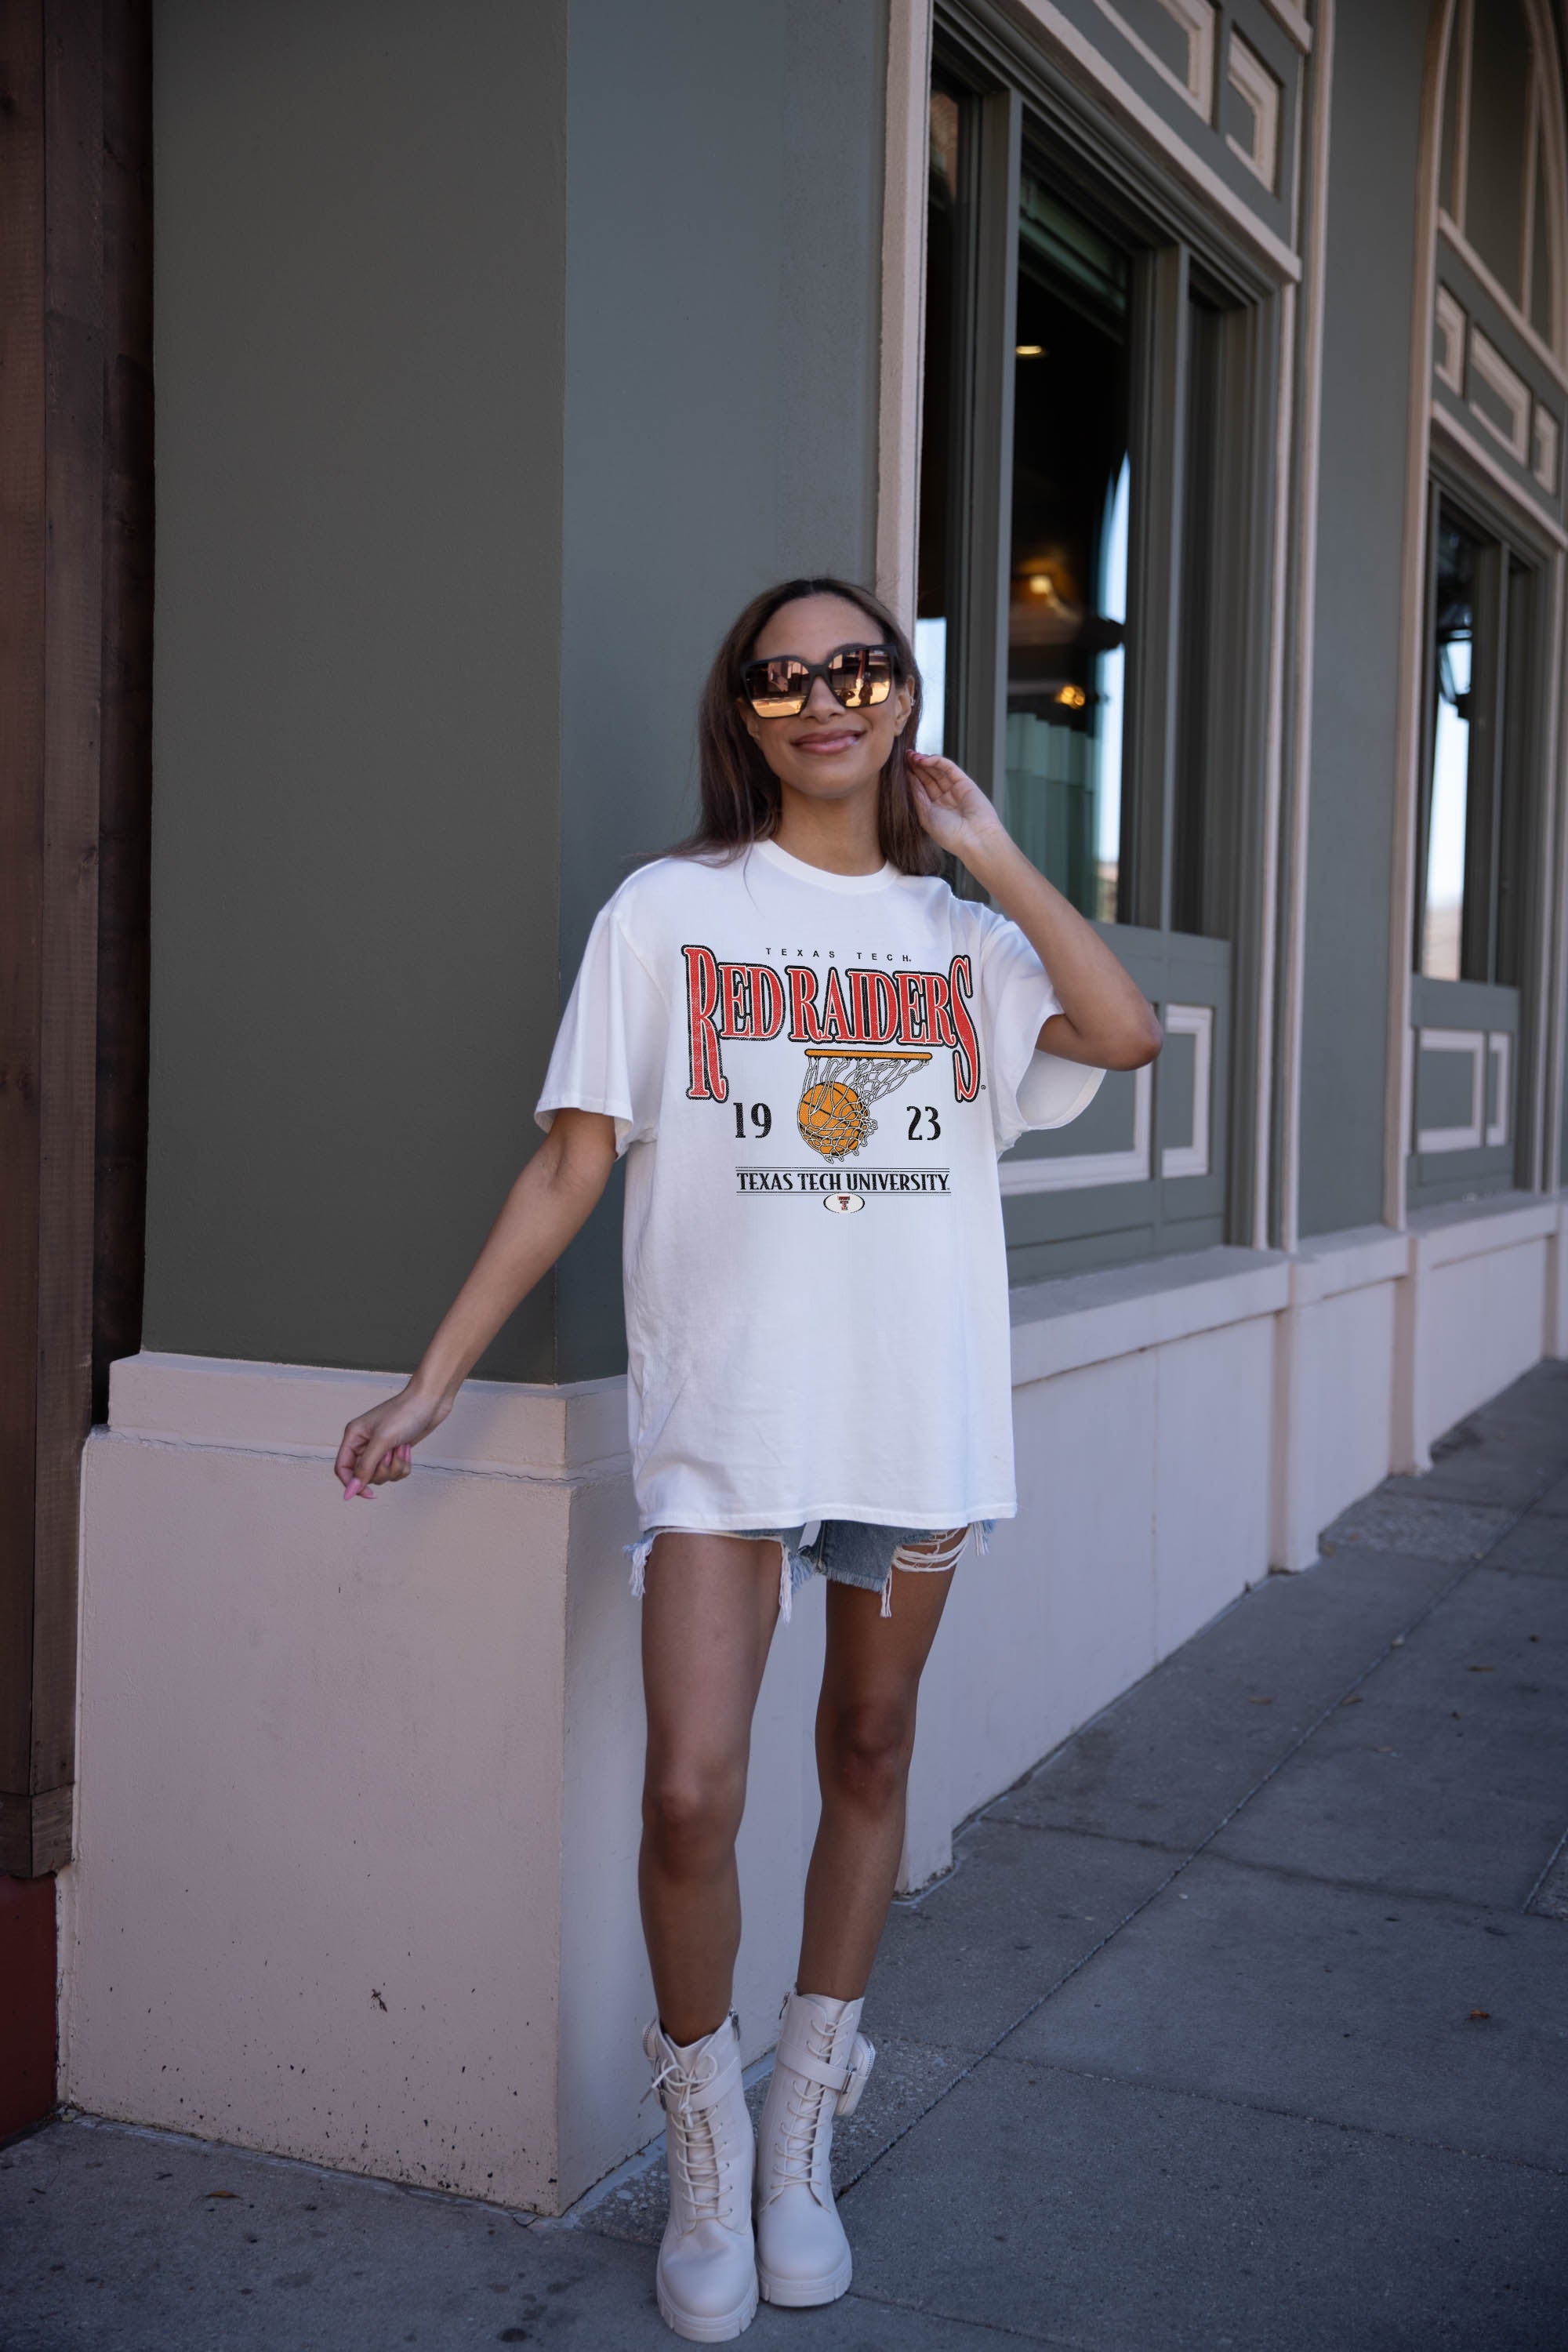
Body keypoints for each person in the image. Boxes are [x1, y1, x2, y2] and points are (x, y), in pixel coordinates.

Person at [334, 575, 1162, 2341]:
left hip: (911, 1416)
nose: (821, 701)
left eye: (853, 669)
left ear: (901, 696)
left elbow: (1124, 1033)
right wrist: (434, 1381)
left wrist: (995, 857)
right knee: (690, 1792)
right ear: (746, 713)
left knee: (868, 1748)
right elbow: (572, 1165)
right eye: (783, 680)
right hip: (731, 1419)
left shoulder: (964, 939)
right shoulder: (669, 914)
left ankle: (804, 2128)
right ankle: (701, 2133)